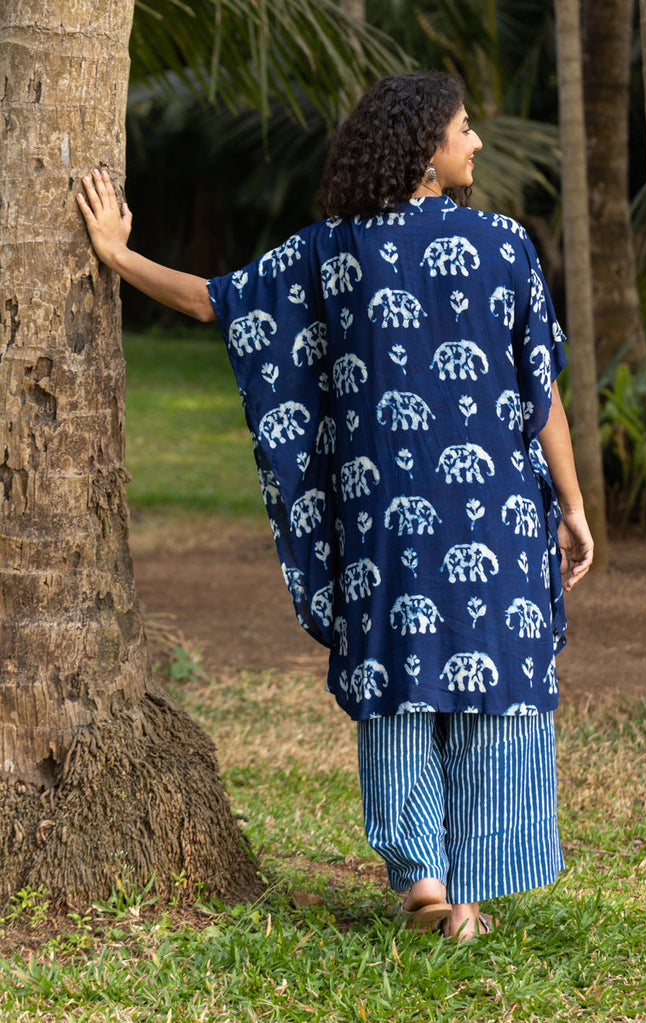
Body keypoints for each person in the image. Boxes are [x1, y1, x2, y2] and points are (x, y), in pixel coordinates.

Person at [77, 71, 593, 941]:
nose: (475, 142)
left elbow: (216, 302)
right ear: (426, 151)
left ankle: (424, 885)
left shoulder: (333, 248)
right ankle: (470, 898)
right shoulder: (504, 244)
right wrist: (572, 507)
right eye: (464, 128)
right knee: (491, 683)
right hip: (496, 513)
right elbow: (539, 396)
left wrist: (118, 255)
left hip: (384, 519)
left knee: (398, 676)